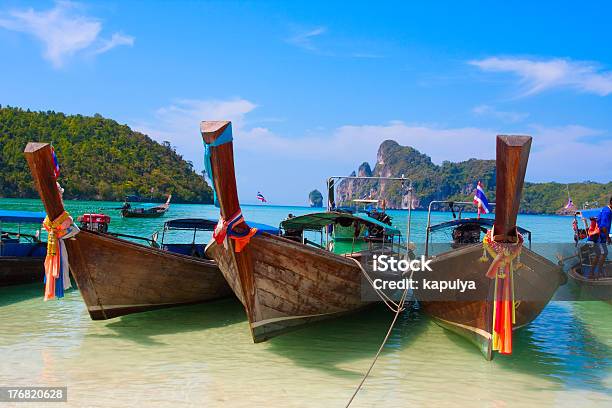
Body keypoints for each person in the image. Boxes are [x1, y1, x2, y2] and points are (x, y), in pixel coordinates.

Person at [594, 197, 612, 278]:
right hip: (601, 236)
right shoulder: (607, 211)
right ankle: (598, 272)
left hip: (601, 235)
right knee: (604, 253)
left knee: (600, 254)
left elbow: (598, 219)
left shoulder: (605, 209)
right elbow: (603, 226)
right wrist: (608, 237)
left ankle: (597, 271)